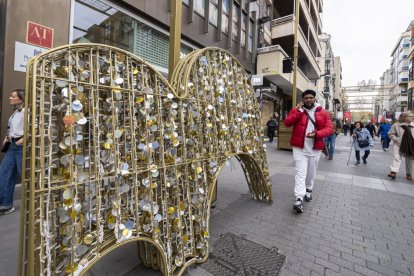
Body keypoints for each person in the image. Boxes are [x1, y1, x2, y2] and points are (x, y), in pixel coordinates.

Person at [284, 89, 333, 213]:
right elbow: (287, 123)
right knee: (300, 173)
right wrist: (298, 112)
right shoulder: (297, 110)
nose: (309, 100)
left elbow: (329, 128)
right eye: (306, 98)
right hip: (299, 148)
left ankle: (309, 189)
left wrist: (317, 134)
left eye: (311, 97)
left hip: (315, 148)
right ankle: (299, 198)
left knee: (311, 172)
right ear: (303, 99)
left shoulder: (322, 112)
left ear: (315, 99)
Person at [0, 89, 25, 215]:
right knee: (5, 173)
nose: (10, 98)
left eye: (13, 96)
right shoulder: (16, 111)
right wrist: (8, 137)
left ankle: (34, 204)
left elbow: (34, 128)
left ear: (20, 99)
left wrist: (22, 140)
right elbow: (12, 127)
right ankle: (5, 204)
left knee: (24, 176)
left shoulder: (27, 111)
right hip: (12, 146)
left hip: (20, 147)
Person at [387, 111, 414, 180]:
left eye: (412, 116)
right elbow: (390, 133)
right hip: (398, 144)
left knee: (410, 160)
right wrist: (397, 139)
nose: (412, 118)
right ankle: (393, 172)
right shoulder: (396, 125)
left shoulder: (413, 125)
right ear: (405, 117)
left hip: (411, 145)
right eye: (410, 116)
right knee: (396, 157)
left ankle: (409, 174)